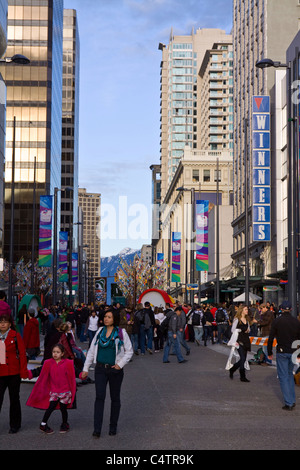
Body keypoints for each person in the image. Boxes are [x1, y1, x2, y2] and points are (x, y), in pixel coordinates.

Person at [81, 308, 133, 438]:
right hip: (100, 369)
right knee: (99, 397)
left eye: (109, 317)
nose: (106, 319)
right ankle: (97, 429)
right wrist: (85, 368)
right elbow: (92, 351)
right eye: (105, 316)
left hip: (115, 370)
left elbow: (129, 351)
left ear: (114, 319)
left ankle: (113, 426)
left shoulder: (121, 333)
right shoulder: (99, 332)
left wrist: (120, 365)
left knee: (115, 398)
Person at [27, 343, 77, 434]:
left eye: (58, 352)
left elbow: (75, 371)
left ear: (62, 353)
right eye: (53, 352)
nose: (55, 354)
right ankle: (43, 424)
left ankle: (65, 423)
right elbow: (39, 370)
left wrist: (82, 374)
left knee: (63, 409)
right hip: (54, 391)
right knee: (50, 407)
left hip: (65, 391)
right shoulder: (48, 363)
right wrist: (29, 373)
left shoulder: (68, 363)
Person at [267, 300, 300, 410]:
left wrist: (269, 352)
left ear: (281, 309)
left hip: (282, 351)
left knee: (283, 377)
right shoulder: (296, 322)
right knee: (290, 375)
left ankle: (289, 402)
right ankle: (292, 399)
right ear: (290, 309)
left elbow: (271, 337)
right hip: (293, 351)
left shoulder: (277, 321)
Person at [0, 312, 30, 434]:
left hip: (13, 373)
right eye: (1, 322)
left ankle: (15, 424)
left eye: (5, 322)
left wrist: (23, 371)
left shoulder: (15, 336)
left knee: (14, 399)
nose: (2, 324)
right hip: (1, 373)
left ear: (10, 324)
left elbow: (22, 354)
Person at [228, 304, 251, 382]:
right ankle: (242, 376)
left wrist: (248, 330)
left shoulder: (247, 320)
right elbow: (232, 330)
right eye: (245, 309)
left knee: (243, 359)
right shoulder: (237, 319)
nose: (247, 310)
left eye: (247, 309)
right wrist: (240, 330)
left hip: (246, 340)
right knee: (243, 358)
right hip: (239, 340)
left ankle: (233, 369)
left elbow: (248, 329)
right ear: (241, 311)